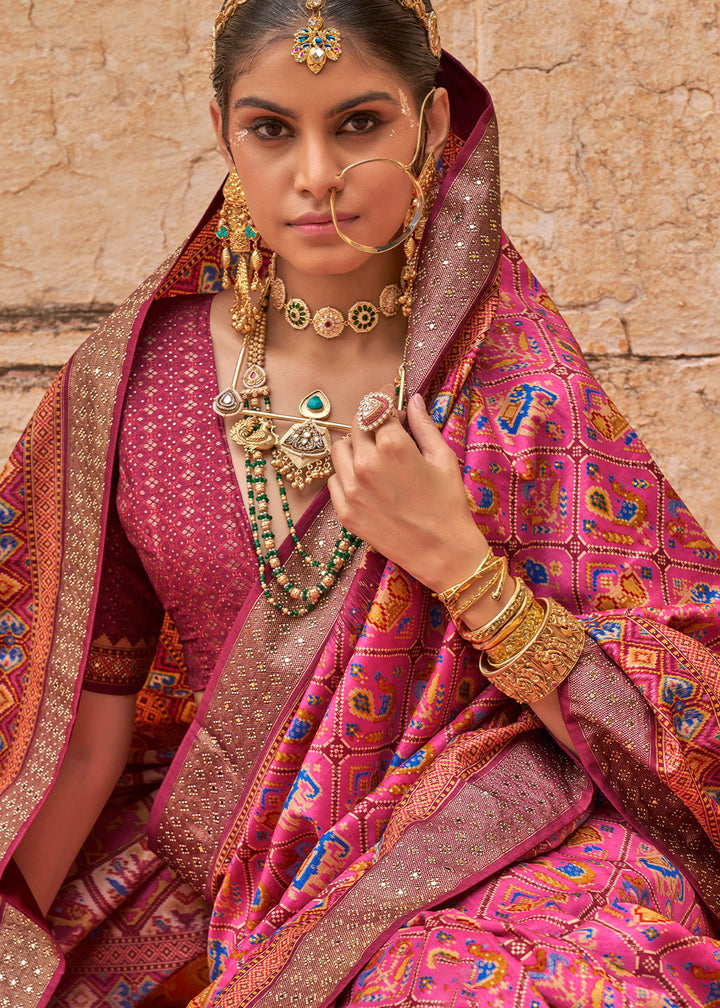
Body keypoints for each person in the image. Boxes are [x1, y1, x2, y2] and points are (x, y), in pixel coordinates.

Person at [1, 1, 719, 1005]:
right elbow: (76, 741)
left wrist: (468, 573)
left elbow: (691, 679)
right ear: (222, 134)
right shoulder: (133, 387)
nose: (315, 175)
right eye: (270, 128)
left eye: (359, 124)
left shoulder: (513, 386)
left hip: (506, 836)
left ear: (429, 129)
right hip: (242, 854)